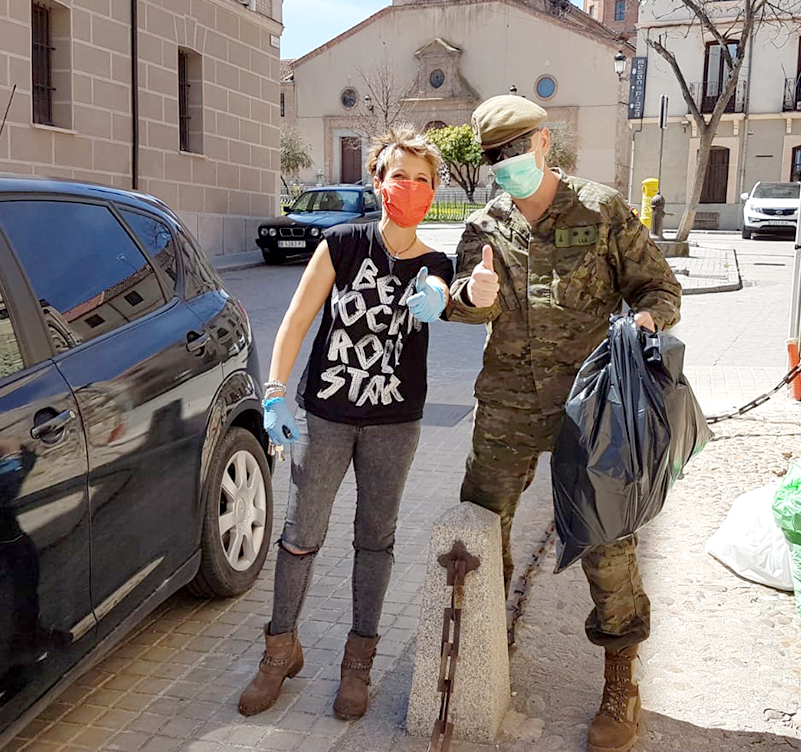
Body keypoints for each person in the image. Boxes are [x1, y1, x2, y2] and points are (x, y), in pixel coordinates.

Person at [446, 96, 682, 752]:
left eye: (516, 150)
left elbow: (661, 290)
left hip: (592, 404)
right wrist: (473, 298)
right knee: (481, 526)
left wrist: (644, 324)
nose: (507, 164)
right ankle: (486, 653)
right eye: (495, 157)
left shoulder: (602, 210)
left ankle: (620, 678)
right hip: (508, 407)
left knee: (607, 543)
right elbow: (461, 304)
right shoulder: (484, 225)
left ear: (544, 143)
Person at [238, 126, 453, 720]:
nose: (407, 188)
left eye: (420, 179)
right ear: (378, 182)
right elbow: (295, 320)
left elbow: (443, 285)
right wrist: (276, 394)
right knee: (300, 533)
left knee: (375, 540)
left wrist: (440, 292)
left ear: (433, 192)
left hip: (395, 424)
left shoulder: (437, 261)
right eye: (397, 176)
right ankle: (279, 650)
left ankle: (357, 663)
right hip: (326, 416)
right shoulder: (342, 242)